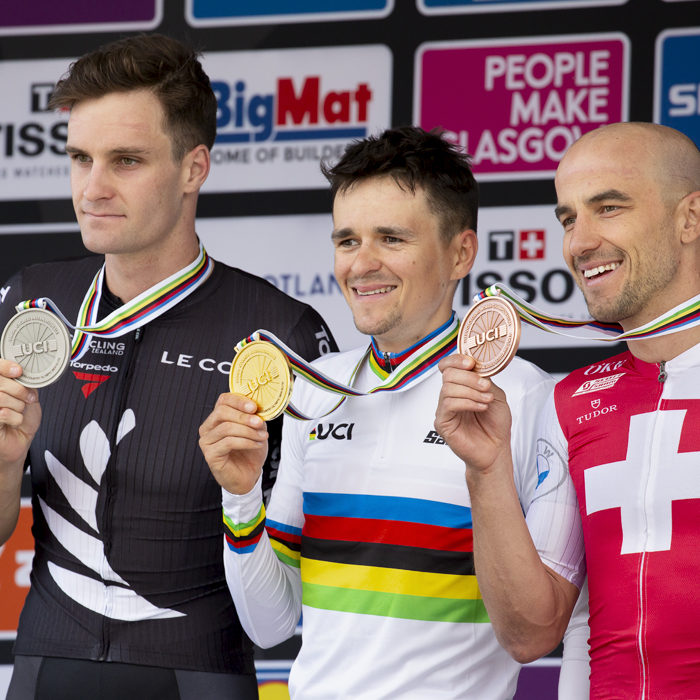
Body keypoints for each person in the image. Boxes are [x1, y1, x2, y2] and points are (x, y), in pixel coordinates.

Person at [0, 34, 337, 700]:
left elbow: (294, 601)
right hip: (45, 672)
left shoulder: (281, 333)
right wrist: (6, 461)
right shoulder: (28, 302)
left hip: (199, 676)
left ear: (194, 168)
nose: (92, 188)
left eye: (126, 160)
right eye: (79, 158)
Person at [199, 126, 554, 699]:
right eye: (347, 241)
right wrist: (241, 499)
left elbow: (539, 626)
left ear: (461, 252)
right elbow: (268, 626)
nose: (362, 264)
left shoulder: (523, 395)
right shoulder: (314, 389)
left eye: (391, 238)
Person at [435, 122, 700, 699]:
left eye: (609, 207)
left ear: (690, 218)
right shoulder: (570, 400)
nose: (579, 243)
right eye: (568, 218)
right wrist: (487, 470)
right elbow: (529, 633)